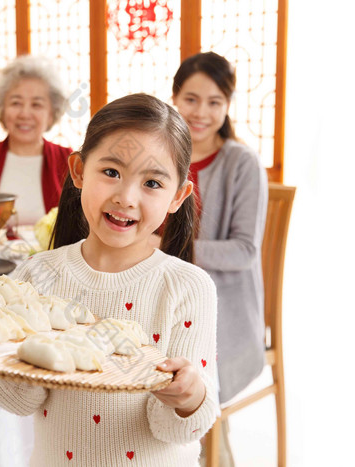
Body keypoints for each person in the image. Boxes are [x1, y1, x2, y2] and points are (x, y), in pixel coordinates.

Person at [0, 93, 218, 466]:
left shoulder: (187, 287)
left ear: (178, 196)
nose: (126, 197)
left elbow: (176, 429)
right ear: (79, 171)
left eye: (152, 183)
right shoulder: (37, 276)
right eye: (111, 172)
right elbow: (24, 397)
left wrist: (189, 396)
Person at [171, 51, 268, 465]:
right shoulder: (164, 154)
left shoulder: (241, 163)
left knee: (186, 384)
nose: (201, 112)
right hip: (169, 300)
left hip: (225, 316)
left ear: (227, 106)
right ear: (174, 98)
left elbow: (245, 250)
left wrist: (169, 252)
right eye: (191, 99)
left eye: (215, 102)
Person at [0, 55, 71, 225]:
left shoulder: (69, 161)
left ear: (51, 114)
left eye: (36, 105)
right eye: (16, 103)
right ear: (2, 109)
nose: (25, 114)